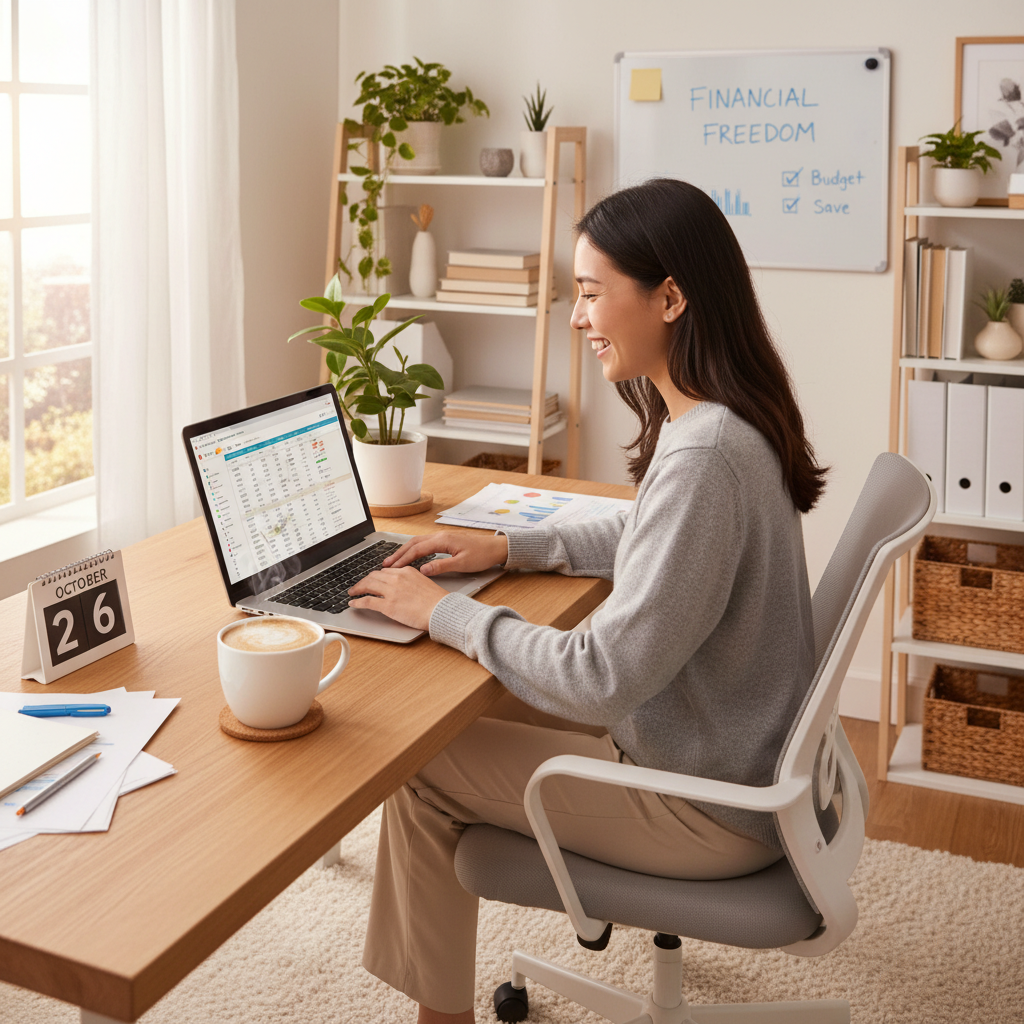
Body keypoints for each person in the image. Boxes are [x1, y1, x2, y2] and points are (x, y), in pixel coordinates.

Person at [347, 177, 828, 1024]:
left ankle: (441, 1018)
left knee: (415, 757)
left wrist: (442, 612)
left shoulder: (706, 456)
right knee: (467, 706)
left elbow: (600, 677)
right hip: (726, 755)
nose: (577, 316)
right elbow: (655, 533)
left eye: (592, 291)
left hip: (705, 805)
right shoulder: (721, 422)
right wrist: (512, 546)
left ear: (670, 296)